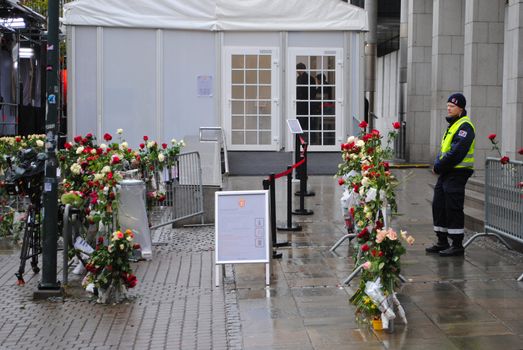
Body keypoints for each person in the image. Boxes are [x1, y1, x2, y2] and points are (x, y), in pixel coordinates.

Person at [426, 93, 475, 257]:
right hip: (448, 172)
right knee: (439, 204)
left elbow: (456, 152)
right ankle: (442, 241)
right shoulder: (453, 125)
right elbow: (445, 150)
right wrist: (438, 164)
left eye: (452, 106)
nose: (448, 108)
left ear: (460, 108)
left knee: (453, 207)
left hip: (458, 172)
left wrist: (438, 166)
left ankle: (457, 244)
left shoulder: (465, 126)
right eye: (447, 105)